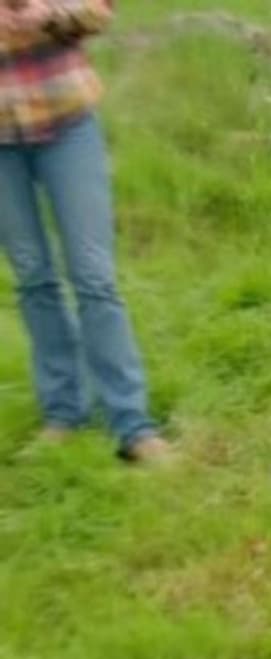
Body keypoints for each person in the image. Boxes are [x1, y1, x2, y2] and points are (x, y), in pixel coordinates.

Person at [1, 0, 171, 462]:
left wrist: (48, 13)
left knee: (94, 276)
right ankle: (63, 416)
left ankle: (132, 424)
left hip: (68, 125)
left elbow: (99, 11)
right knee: (33, 277)